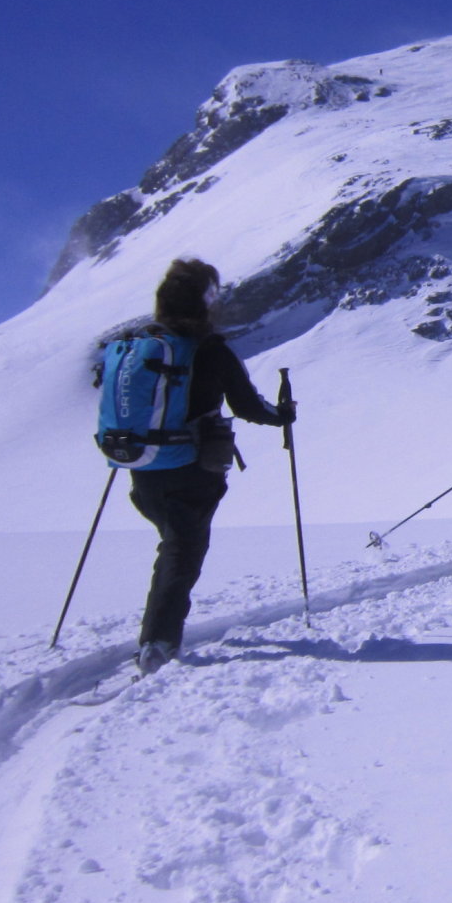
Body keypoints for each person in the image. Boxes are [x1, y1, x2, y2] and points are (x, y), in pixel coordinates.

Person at [123, 258, 291, 673]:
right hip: (193, 469)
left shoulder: (142, 345)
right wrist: (282, 415)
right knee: (182, 551)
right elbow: (248, 406)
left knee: (174, 546)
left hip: (142, 467)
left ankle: (157, 636)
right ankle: (158, 643)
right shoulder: (210, 350)